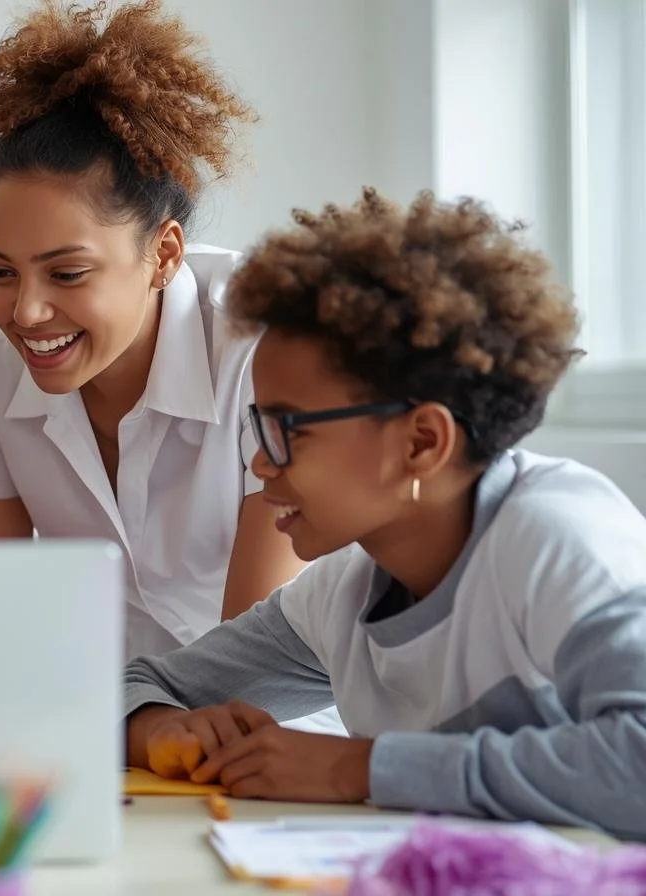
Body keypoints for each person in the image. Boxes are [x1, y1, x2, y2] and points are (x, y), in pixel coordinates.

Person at [122, 188, 646, 840]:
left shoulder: (558, 540)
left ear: (422, 443)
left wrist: (363, 768)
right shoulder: (340, 593)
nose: (259, 464)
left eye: (287, 429)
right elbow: (141, 683)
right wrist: (161, 727)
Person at [0, 0, 305, 659]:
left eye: (68, 274)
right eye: (0, 272)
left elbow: (249, 672)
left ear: (163, 255)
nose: (24, 312)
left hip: (269, 722)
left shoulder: (263, 347)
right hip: (103, 716)